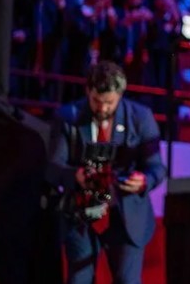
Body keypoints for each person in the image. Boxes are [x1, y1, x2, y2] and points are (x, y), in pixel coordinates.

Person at [49, 61, 166, 284]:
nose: (102, 108)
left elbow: (156, 168)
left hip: (126, 214)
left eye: (109, 103)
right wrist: (76, 176)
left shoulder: (141, 117)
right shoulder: (67, 117)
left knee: (127, 280)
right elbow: (53, 167)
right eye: (96, 101)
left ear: (120, 95)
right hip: (81, 213)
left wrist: (143, 181)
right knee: (79, 280)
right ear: (87, 91)